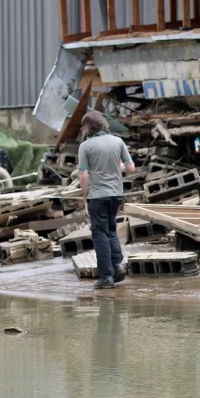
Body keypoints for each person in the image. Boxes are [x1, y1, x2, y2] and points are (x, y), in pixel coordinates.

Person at [78, 111, 135, 289]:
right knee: (111, 230)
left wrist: (85, 199)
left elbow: (83, 176)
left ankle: (106, 277)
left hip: (98, 196)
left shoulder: (85, 146)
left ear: (87, 127)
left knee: (100, 234)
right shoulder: (117, 141)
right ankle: (117, 267)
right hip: (116, 195)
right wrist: (113, 165)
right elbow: (130, 168)